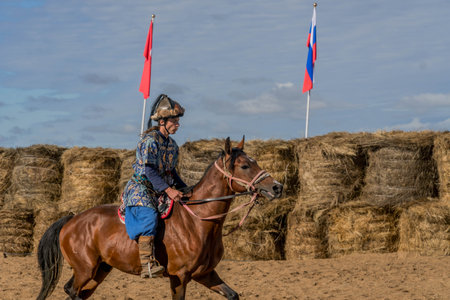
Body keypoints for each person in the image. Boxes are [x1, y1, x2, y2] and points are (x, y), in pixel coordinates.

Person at [122, 94, 187, 278]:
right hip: (142, 188)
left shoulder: (173, 145)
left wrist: (185, 188)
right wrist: (169, 190)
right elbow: (149, 171)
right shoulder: (149, 142)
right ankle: (147, 263)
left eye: (177, 121)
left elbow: (172, 172)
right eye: (174, 121)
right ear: (162, 121)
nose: (178, 124)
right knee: (149, 216)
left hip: (161, 187)